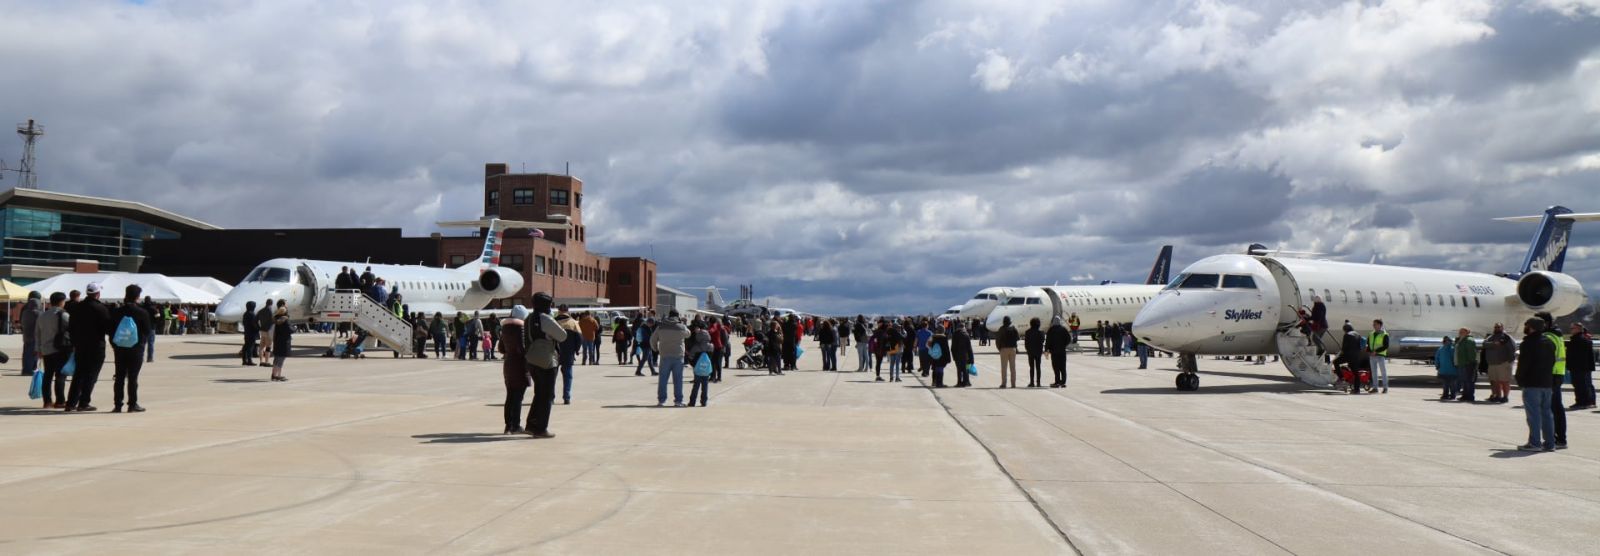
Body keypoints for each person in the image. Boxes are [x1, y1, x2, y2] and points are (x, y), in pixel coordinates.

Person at [522, 293, 566, 438]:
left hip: (532, 359)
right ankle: (541, 428)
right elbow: (562, 335)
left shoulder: (528, 318)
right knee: (547, 395)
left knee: (539, 394)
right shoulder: (545, 318)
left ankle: (531, 424)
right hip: (547, 361)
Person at [64, 283, 112, 412]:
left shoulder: (77, 307)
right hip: (96, 345)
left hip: (80, 345)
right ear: (97, 294)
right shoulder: (100, 308)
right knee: (91, 375)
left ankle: (71, 403)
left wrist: (75, 342)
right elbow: (108, 327)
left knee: (78, 374)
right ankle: (84, 402)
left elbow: (71, 327)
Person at [110, 285, 153, 413]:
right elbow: (147, 330)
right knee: (133, 377)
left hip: (120, 348)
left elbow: (110, 329)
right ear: (138, 297)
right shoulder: (142, 312)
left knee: (119, 377)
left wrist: (115, 345)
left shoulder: (117, 312)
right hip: (136, 348)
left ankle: (118, 404)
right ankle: (132, 404)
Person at [1516, 318, 1557, 452]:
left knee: (1533, 415)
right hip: (1547, 382)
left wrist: (1519, 378)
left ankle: (1535, 443)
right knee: (1547, 414)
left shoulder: (1528, 343)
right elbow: (1552, 361)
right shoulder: (1549, 342)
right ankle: (1550, 443)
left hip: (1532, 383)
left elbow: (1524, 364)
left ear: (1531, 327)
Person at [35, 292, 70, 409]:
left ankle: (47, 401)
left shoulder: (42, 316)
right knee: (60, 375)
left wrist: (38, 349)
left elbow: (37, 334)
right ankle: (60, 401)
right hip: (60, 349)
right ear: (61, 302)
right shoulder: (64, 315)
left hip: (46, 349)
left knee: (48, 375)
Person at [499, 306, 529, 433]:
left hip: (508, 364)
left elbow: (501, 348)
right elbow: (523, 348)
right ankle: (516, 425)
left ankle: (508, 425)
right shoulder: (521, 329)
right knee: (518, 397)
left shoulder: (505, 329)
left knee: (510, 396)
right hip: (519, 365)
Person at [1539, 312, 1567, 449]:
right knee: (1557, 408)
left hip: (1550, 375)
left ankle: (1558, 439)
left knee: (1551, 409)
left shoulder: (1548, 337)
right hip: (1557, 374)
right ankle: (1560, 438)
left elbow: (1544, 360)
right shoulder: (1557, 335)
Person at [652, 311, 691, 407]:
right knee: (678, 380)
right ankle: (678, 401)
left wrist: (656, 349)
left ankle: (662, 401)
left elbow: (652, 339)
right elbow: (688, 334)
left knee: (663, 379)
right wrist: (683, 324)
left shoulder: (661, 326)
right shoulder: (681, 326)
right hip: (678, 356)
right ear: (677, 317)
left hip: (664, 355)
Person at [1483, 323, 1515, 403]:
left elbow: (1512, 348)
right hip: (1492, 363)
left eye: (1498, 327)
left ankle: (1505, 396)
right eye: (1495, 327)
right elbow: (1484, 344)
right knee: (1494, 381)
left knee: (1504, 381)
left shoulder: (1507, 337)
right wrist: (1494, 344)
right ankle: (1498, 396)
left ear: (1502, 328)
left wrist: (1509, 361)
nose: (1497, 328)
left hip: (1503, 363)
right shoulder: (1491, 337)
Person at [555, 311, 582, 405]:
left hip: (554, 353)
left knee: (551, 377)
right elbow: (579, 338)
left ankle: (550, 397)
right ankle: (567, 397)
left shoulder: (553, 322)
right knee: (568, 376)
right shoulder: (573, 323)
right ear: (567, 312)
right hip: (568, 353)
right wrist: (576, 350)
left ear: (559, 312)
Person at [1568, 323, 1596, 410]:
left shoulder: (1580, 340)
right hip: (1581, 367)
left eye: (1573, 328)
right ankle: (1585, 401)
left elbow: (1579, 356)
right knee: (1582, 385)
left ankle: (1584, 402)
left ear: (1578, 329)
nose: (1571, 330)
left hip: (1580, 368)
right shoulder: (1579, 339)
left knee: (1582, 385)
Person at [687, 321, 713, 406]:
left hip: (697, 369)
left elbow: (690, 357)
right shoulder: (711, 346)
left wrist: (694, 364)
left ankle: (692, 402)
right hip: (706, 369)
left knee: (696, 386)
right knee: (705, 386)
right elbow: (711, 358)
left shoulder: (696, 347)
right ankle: (704, 401)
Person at [19, 291, 40, 377]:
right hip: (34, 334)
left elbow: (21, 320)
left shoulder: (24, 308)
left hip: (26, 333)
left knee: (27, 352)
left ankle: (28, 368)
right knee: (32, 352)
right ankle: (29, 369)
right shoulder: (36, 311)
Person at [1454, 328, 1478, 403]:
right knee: (1464, 380)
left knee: (1469, 381)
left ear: (1467, 332)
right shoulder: (1462, 340)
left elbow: (1471, 353)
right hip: (1462, 363)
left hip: (1467, 364)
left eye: (1462, 332)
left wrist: (1471, 362)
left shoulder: (1469, 340)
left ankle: (1470, 396)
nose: (1460, 333)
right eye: (1460, 332)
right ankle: (1465, 395)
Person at [1046, 317, 1070, 387]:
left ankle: (1057, 381)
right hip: (1062, 351)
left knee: (1055, 367)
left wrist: (1047, 349)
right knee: (1063, 367)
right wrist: (1064, 345)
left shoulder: (1051, 330)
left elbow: (1048, 340)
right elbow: (1068, 339)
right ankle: (1063, 382)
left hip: (1054, 352)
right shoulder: (1063, 329)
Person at [270, 302, 292, 382]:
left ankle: (273, 374)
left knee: (276, 359)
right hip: (284, 341)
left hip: (277, 341)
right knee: (281, 360)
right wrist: (294, 328)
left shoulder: (276, 320)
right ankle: (278, 375)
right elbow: (289, 330)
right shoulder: (285, 320)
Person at [996, 316, 1019, 388]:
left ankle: (1004, 383)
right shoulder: (1013, 328)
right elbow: (1017, 338)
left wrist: (999, 348)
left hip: (1004, 349)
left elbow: (998, 340)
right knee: (1013, 367)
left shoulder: (1001, 329)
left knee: (1004, 367)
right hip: (1012, 349)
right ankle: (1013, 384)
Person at [1435, 336, 1458, 401]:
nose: (1447, 342)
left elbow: (1437, 358)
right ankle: (1450, 395)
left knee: (1448, 383)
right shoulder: (1452, 349)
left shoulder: (1441, 349)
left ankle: (1448, 395)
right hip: (1450, 370)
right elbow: (1437, 358)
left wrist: (1437, 366)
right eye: (1446, 341)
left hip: (1447, 370)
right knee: (1449, 384)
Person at [952, 321, 974, 388]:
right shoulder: (966, 335)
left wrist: (954, 356)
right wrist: (971, 358)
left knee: (959, 369)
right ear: (963, 327)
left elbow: (953, 347)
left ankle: (959, 382)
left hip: (957, 356)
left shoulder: (955, 334)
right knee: (966, 369)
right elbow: (969, 348)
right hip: (966, 356)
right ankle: (966, 382)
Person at [1024, 317, 1044, 388]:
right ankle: (1038, 382)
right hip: (1038, 351)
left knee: (1031, 367)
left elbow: (1026, 343)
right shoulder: (1041, 332)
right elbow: (1042, 341)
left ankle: (1032, 382)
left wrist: (1028, 350)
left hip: (1030, 352)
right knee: (1038, 367)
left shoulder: (1027, 332)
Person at [256, 299, 275, 366]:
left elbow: (255, 320)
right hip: (268, 330)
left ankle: (261, 361)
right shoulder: (271, 311)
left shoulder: (260, 311)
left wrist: (259, 327)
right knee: (268, 346)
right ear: (271, 304)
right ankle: (267, 361)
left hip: (262, 330)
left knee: (261, 346)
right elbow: (273, 321)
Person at [240, 301, 259, 366]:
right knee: (250, 347)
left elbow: (244, 323)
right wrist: (258, 328)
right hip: (252, 333)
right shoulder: (252, 314)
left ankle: (244, 360)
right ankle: (249, 360)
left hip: (247, 332)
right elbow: (254, 324)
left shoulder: (245, 314)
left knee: (246, 346)